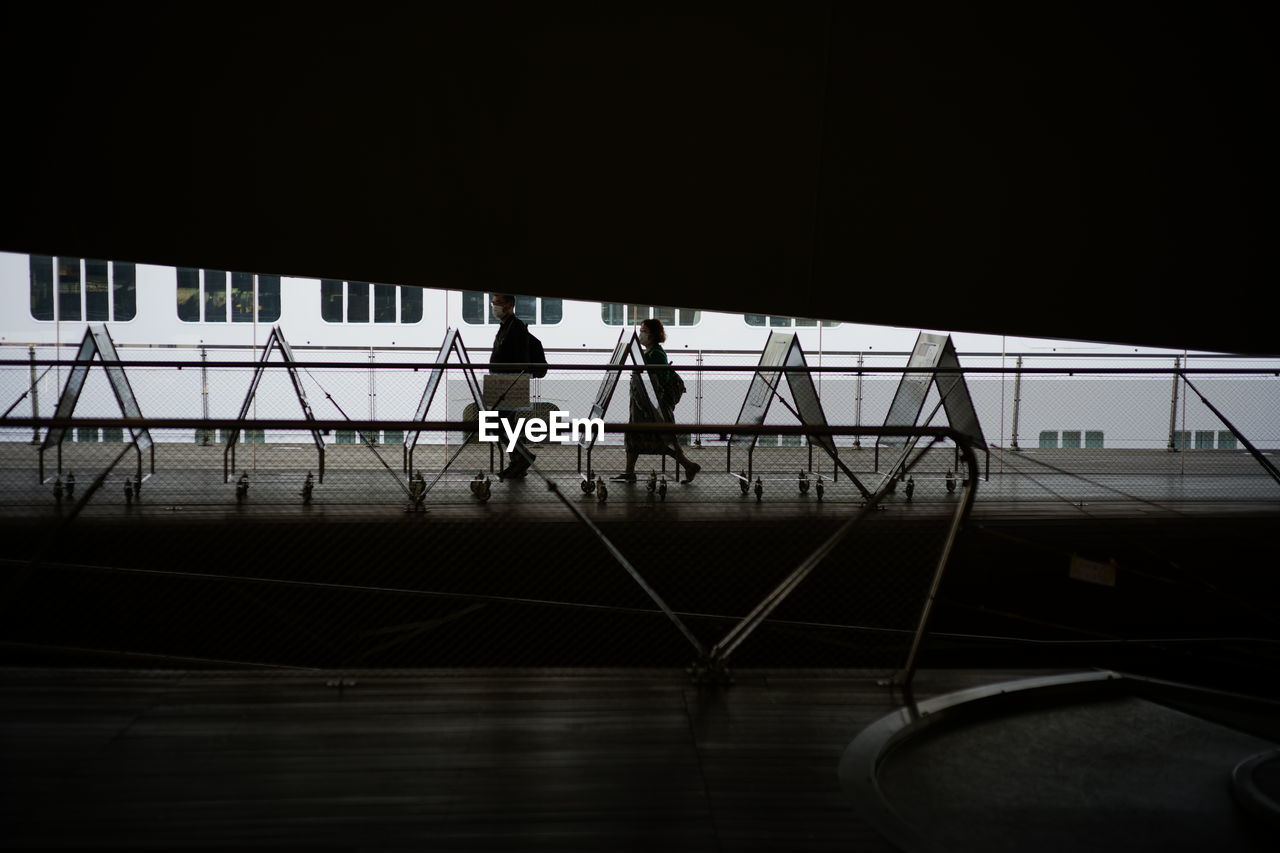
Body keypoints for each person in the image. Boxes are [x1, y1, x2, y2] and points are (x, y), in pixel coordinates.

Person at [612, 318, 701, 484]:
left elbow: (660, 379)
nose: (640, 334)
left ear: (652, 334)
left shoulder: (656, 354)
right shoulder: (651, 352)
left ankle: (688, 465)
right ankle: (630, 471)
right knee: (644, 436)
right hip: (646, 404)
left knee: (657, 437)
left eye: (643, 331)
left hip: (651, 406)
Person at [488, 293, 536, 480]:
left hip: (509, 384)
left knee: (500, 424)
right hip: (503, 383)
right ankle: (517, 463)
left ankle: (523, 457)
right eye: (493, 303)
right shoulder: (507, 326)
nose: (494, 306)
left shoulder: (515, 327)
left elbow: (519, 358)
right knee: (506, 425)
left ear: (509, 305)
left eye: (498, 303)